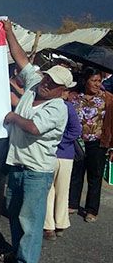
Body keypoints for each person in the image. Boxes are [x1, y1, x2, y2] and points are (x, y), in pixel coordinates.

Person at [1, 19, 75, 263]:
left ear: (62, 91)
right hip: (17, 164)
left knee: (30, 219)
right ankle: (17, 253)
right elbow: (21, 59)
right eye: (47, 78)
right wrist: (9, 32)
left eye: (53, 83)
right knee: (14, 213)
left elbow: (33, 127)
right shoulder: (34, 86)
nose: (46, 83)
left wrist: (13, 118)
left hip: (36, 171)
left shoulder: (58, 108)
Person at [68, 67, 113, 223]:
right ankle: (72, 203)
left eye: (99, 81)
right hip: (77, 141)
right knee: (76, 173)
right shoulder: (74, 96)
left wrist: (112, 146)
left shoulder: (108, 98)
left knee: (95, 176)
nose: (96, 84)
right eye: (93, 80)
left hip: (98, 143)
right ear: (85, 81)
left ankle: (91, 209)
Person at [43, 90, 82, 240]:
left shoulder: (58, 106)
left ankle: (50, 225)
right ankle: (58, 224)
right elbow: (76, 130)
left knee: (50, 190)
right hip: (65, 154)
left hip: (55, 153)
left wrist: (57, 141)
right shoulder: (68, 107)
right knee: (60, 190)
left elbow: (76, 130)